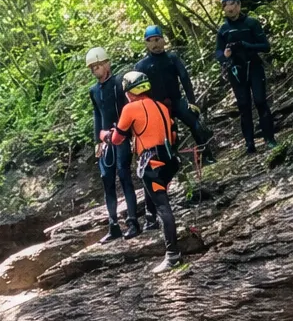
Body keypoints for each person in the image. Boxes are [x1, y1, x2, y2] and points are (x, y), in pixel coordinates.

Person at [107, 69, 183, 272]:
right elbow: (173, 135)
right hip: (168, 161)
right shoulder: (161, 107)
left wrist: (106, 135)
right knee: (157, 199)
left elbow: (117, 139)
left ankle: (173, 255)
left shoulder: (130, 109)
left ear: (130, 92)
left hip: (152, 163)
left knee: (164, 207)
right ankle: (150, 221)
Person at [86, 46, 142, 241]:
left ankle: (133, 221)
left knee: (124, 174)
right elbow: (97, 115)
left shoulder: (119, 83)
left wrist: (130, 133)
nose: (95, 71)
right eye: (92, 68)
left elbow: (129, 108)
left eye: (97, 66)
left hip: (122, 135)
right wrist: (97, 141)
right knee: (106, 179)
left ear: (106, 64)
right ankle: (113, 225)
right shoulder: (94, 91)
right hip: (106, 139)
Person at [215, 0, 276, 154]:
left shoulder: (251, 23)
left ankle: (270, 139)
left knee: (260, 101)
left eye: (232, 4)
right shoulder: (223, 30)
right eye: (226, 5)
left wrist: (246, 45)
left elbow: (266, 46)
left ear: (239, 4)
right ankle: (249, 144)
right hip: (236, 72)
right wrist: (225, 56)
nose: (230, 8)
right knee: (244, 106)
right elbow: (218, 52)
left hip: (254, 67)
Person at [134, 26, 211, 154]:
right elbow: (138, 92)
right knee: (169, 135)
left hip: (177, 101)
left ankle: (207, 155)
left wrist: (192, 102)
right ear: (146, 44)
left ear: (163, 40)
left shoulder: (172, 58)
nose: (154, 44)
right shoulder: (141, 66)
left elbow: (184, 78)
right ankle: (175, 161)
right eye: (150, 41)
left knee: (196, 124)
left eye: (157, 39)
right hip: (157, 106)